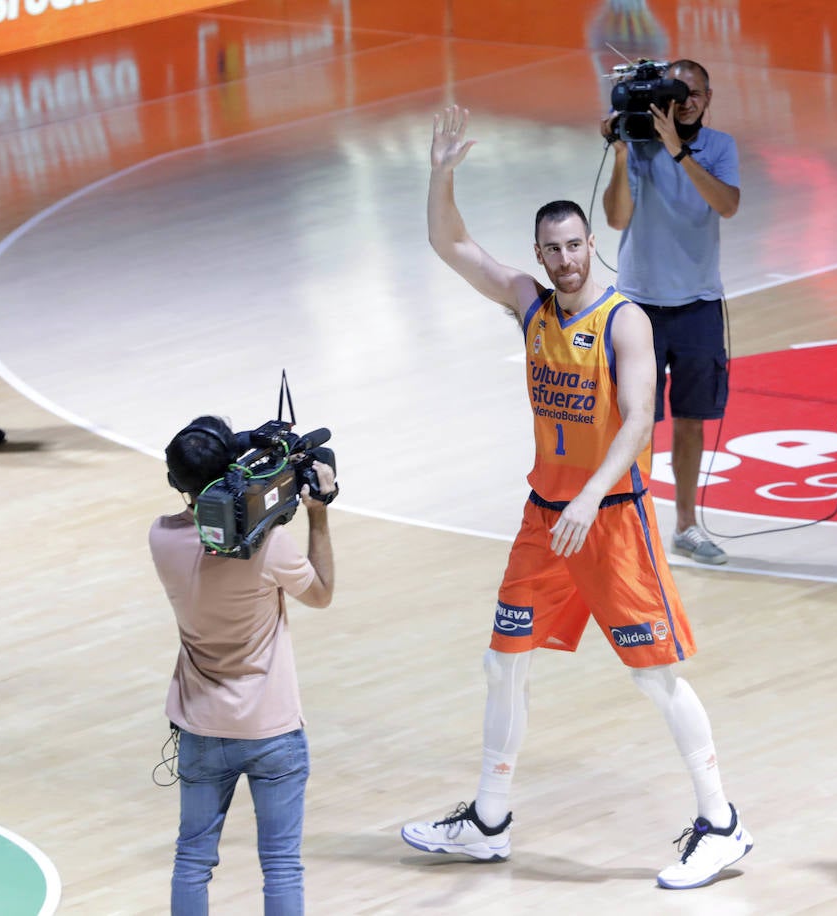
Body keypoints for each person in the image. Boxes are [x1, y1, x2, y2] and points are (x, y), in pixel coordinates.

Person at [401, 104, 751, 891]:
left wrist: (594, 494)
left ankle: (722, 823)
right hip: (545, 518)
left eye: (573, 246)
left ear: (591, 243)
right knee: (503, 662)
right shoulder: (529, 304)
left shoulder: (623, 321)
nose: (563, 260)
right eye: (550, 249)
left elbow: (637, 420)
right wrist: (441, 173)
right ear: (540, 252)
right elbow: (449, 244)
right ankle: (490, 819)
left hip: (613, 521)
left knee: (653, 678)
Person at [152, 416, 336, 915]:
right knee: (280, 864)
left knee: (192, 859)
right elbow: (321, 594)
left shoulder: (162, 539)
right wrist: (316, 514)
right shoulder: (270, 547)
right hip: (272, 727)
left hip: (201, 726)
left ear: (176, 483)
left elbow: (221, 518)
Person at [601, 58, 739, 565]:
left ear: (708, 96)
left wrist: (680, 153)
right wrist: (620, 154)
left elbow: (726, 204)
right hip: (638, 306)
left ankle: (685, 526)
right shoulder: (637, 146)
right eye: (678, 91)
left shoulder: (719, 147)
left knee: (689, 419)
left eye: (696, 91)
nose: (687, 99)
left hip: (698, 304)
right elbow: (616, 218)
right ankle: (631, 523)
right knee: (635, 422)